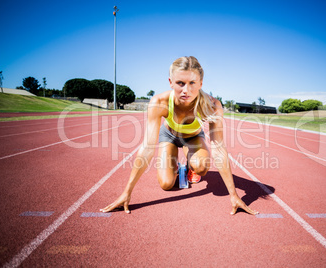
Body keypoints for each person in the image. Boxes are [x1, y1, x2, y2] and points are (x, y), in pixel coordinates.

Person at [100, 56, 258, 216]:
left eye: (192, 83)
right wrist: (127, 193)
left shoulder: (212, 105)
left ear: (201, 83)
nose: (186, 90)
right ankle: (178, 167)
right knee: (167, 184)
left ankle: (190, 166)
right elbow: (147, 148)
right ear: (170, 82)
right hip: (169, 136)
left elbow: (218, 149)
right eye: (180, 83)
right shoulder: (159, 102)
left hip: (193, 138)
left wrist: (234, 195)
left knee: (202, 167)